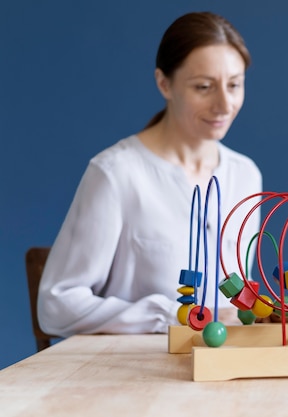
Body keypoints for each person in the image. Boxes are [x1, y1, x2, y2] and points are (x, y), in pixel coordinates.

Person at [38, 11, 262, 337]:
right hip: (137, 375)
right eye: (204, 87)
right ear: (163, 83)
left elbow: (236, 299)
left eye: (234, 85)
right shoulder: (116, 174)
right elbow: (55, 306)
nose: (224, 104)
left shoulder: (245, 176)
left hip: (225, 371)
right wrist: (173, 317)